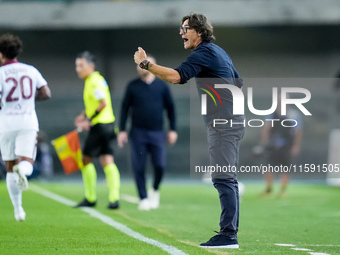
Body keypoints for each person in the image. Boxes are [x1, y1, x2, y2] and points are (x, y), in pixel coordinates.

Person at [134, 13, 245, 248]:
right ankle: (229, 232)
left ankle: (228, 235)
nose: (181, 32)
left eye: (185, 28)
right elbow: (238, 81)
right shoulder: (219, 52)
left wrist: (146, 64)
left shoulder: (204, 52)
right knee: (225, 178)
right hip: (230, 120)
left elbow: (176, 77)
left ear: (200, 32)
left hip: (225, 123)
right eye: (181, 28)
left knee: (223, 178)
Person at [0, 33, 51, 221]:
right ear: (17, 51)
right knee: (27, 161)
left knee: (9, 167)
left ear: (1, 54)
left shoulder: (0, 73)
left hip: (5, 123)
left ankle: (18, 210)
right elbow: (46, 93)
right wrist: (29, 99)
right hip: (27, 122)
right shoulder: (30, 70)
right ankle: (24, 170)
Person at [118, 55, 177, 211]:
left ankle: (155, 189)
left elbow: (171, 109)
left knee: (160, 165)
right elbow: (125, 109)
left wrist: (173, 129)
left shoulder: (162, 86)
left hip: (157, 132)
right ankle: (143, 198)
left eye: (144, 63)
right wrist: (122, 130)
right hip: (138, 133)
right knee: (139, 166)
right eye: (139, 64)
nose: (140, 67)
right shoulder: (132, 86)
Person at [74, 51, 120, 209]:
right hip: (109, 125)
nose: (78, 69)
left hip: (100, 126)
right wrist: (83, 115)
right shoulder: (94, 80)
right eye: (77, 66)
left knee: (85, 160)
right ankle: (114, 199)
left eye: (81, 65)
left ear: (91, 66)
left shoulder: (94, 81)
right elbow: (96, 103)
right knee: (107, 160)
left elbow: (103, 104)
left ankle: (90, 197)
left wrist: (88, 120)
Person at [259, 97, 303, 196]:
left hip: (287, 145)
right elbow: (267, 127)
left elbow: (298, 131)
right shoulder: (272, 113)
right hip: (272, 145)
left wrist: (295, 145)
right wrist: (264, 142)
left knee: (286, 168)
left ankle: (283, 190)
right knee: (268, 167)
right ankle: (269, 189)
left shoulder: (293, 114)